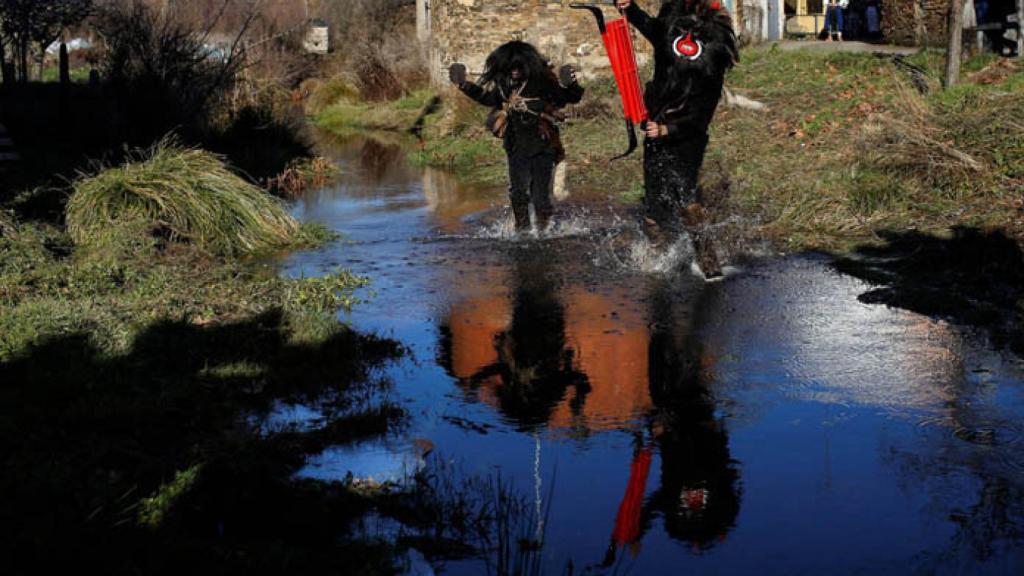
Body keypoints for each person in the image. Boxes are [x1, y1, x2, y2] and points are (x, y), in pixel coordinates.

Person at [615, 0, 738, 278]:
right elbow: (649, 26)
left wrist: (669, 130)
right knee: (654, 204)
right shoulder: (669, 28)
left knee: (686, 199)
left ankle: (709, 264)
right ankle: (661, 262)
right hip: (654, 126)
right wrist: (626, 6)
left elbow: (701, 114)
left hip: (686, 137)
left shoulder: (713, 54)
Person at [448, 42, 584, 232]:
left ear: (526, 65)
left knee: (540, 197)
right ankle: (522, 231)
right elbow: (488, 98)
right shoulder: (505, 84)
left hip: (542, 145)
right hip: (515, 146)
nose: (514, 72)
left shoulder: (541, 81)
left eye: (518, 68)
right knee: (518, 193)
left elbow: (566, 98)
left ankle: (544, 232)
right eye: (510, 68)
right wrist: (464, 85)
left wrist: (572, 85)